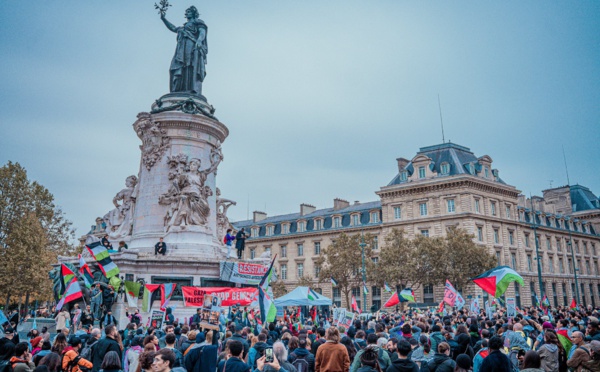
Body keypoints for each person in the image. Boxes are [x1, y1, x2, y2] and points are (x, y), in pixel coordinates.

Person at [159, 5, 208, 95]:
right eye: (186, 12)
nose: (186, 13)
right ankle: (179, 88)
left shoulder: (198, 22)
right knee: (179, 66)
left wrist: (199, 41)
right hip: (181, 49)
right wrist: (163, 19)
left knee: (190, 65)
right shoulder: (183, 28)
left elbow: (202, 32)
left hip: (191, 45)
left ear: (194, 13)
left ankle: (191, 87)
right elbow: (173, 28)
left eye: (188, 11)